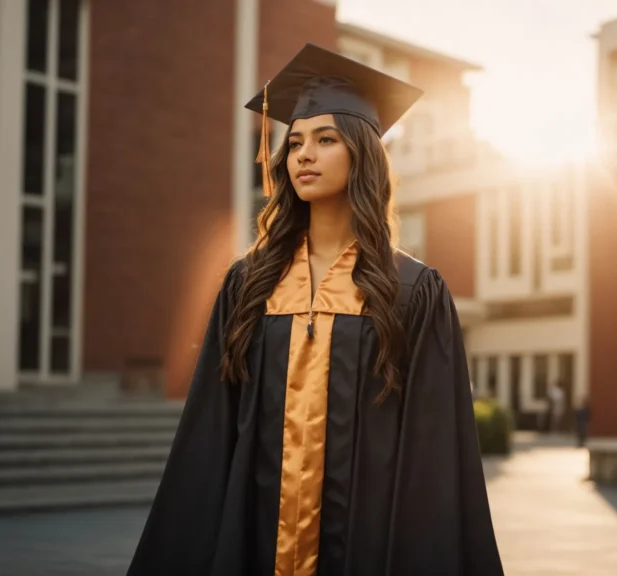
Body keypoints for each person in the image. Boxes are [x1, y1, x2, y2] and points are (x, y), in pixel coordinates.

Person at [127, 43, 504, 576]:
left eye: (326, 140)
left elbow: (433, 454)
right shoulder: (249, 283)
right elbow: (209, 436)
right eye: (296, 141)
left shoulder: (412, 290)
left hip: (366, 543)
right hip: (255, 536)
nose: (303, 153)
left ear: (361, 154)